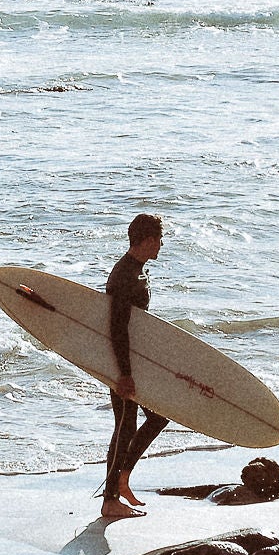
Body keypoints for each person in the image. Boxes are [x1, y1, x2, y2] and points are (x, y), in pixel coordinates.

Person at [102, 213, 167, 519]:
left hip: (135, 363)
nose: (162, 245)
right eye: (159, 238)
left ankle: (122, 479)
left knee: (158, 416)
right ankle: (110, 498)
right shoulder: (124, 276)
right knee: (125, 425)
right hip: (123, 364)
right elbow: (117, 327)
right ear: (147, 240)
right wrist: (124, 373)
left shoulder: (137, 271)